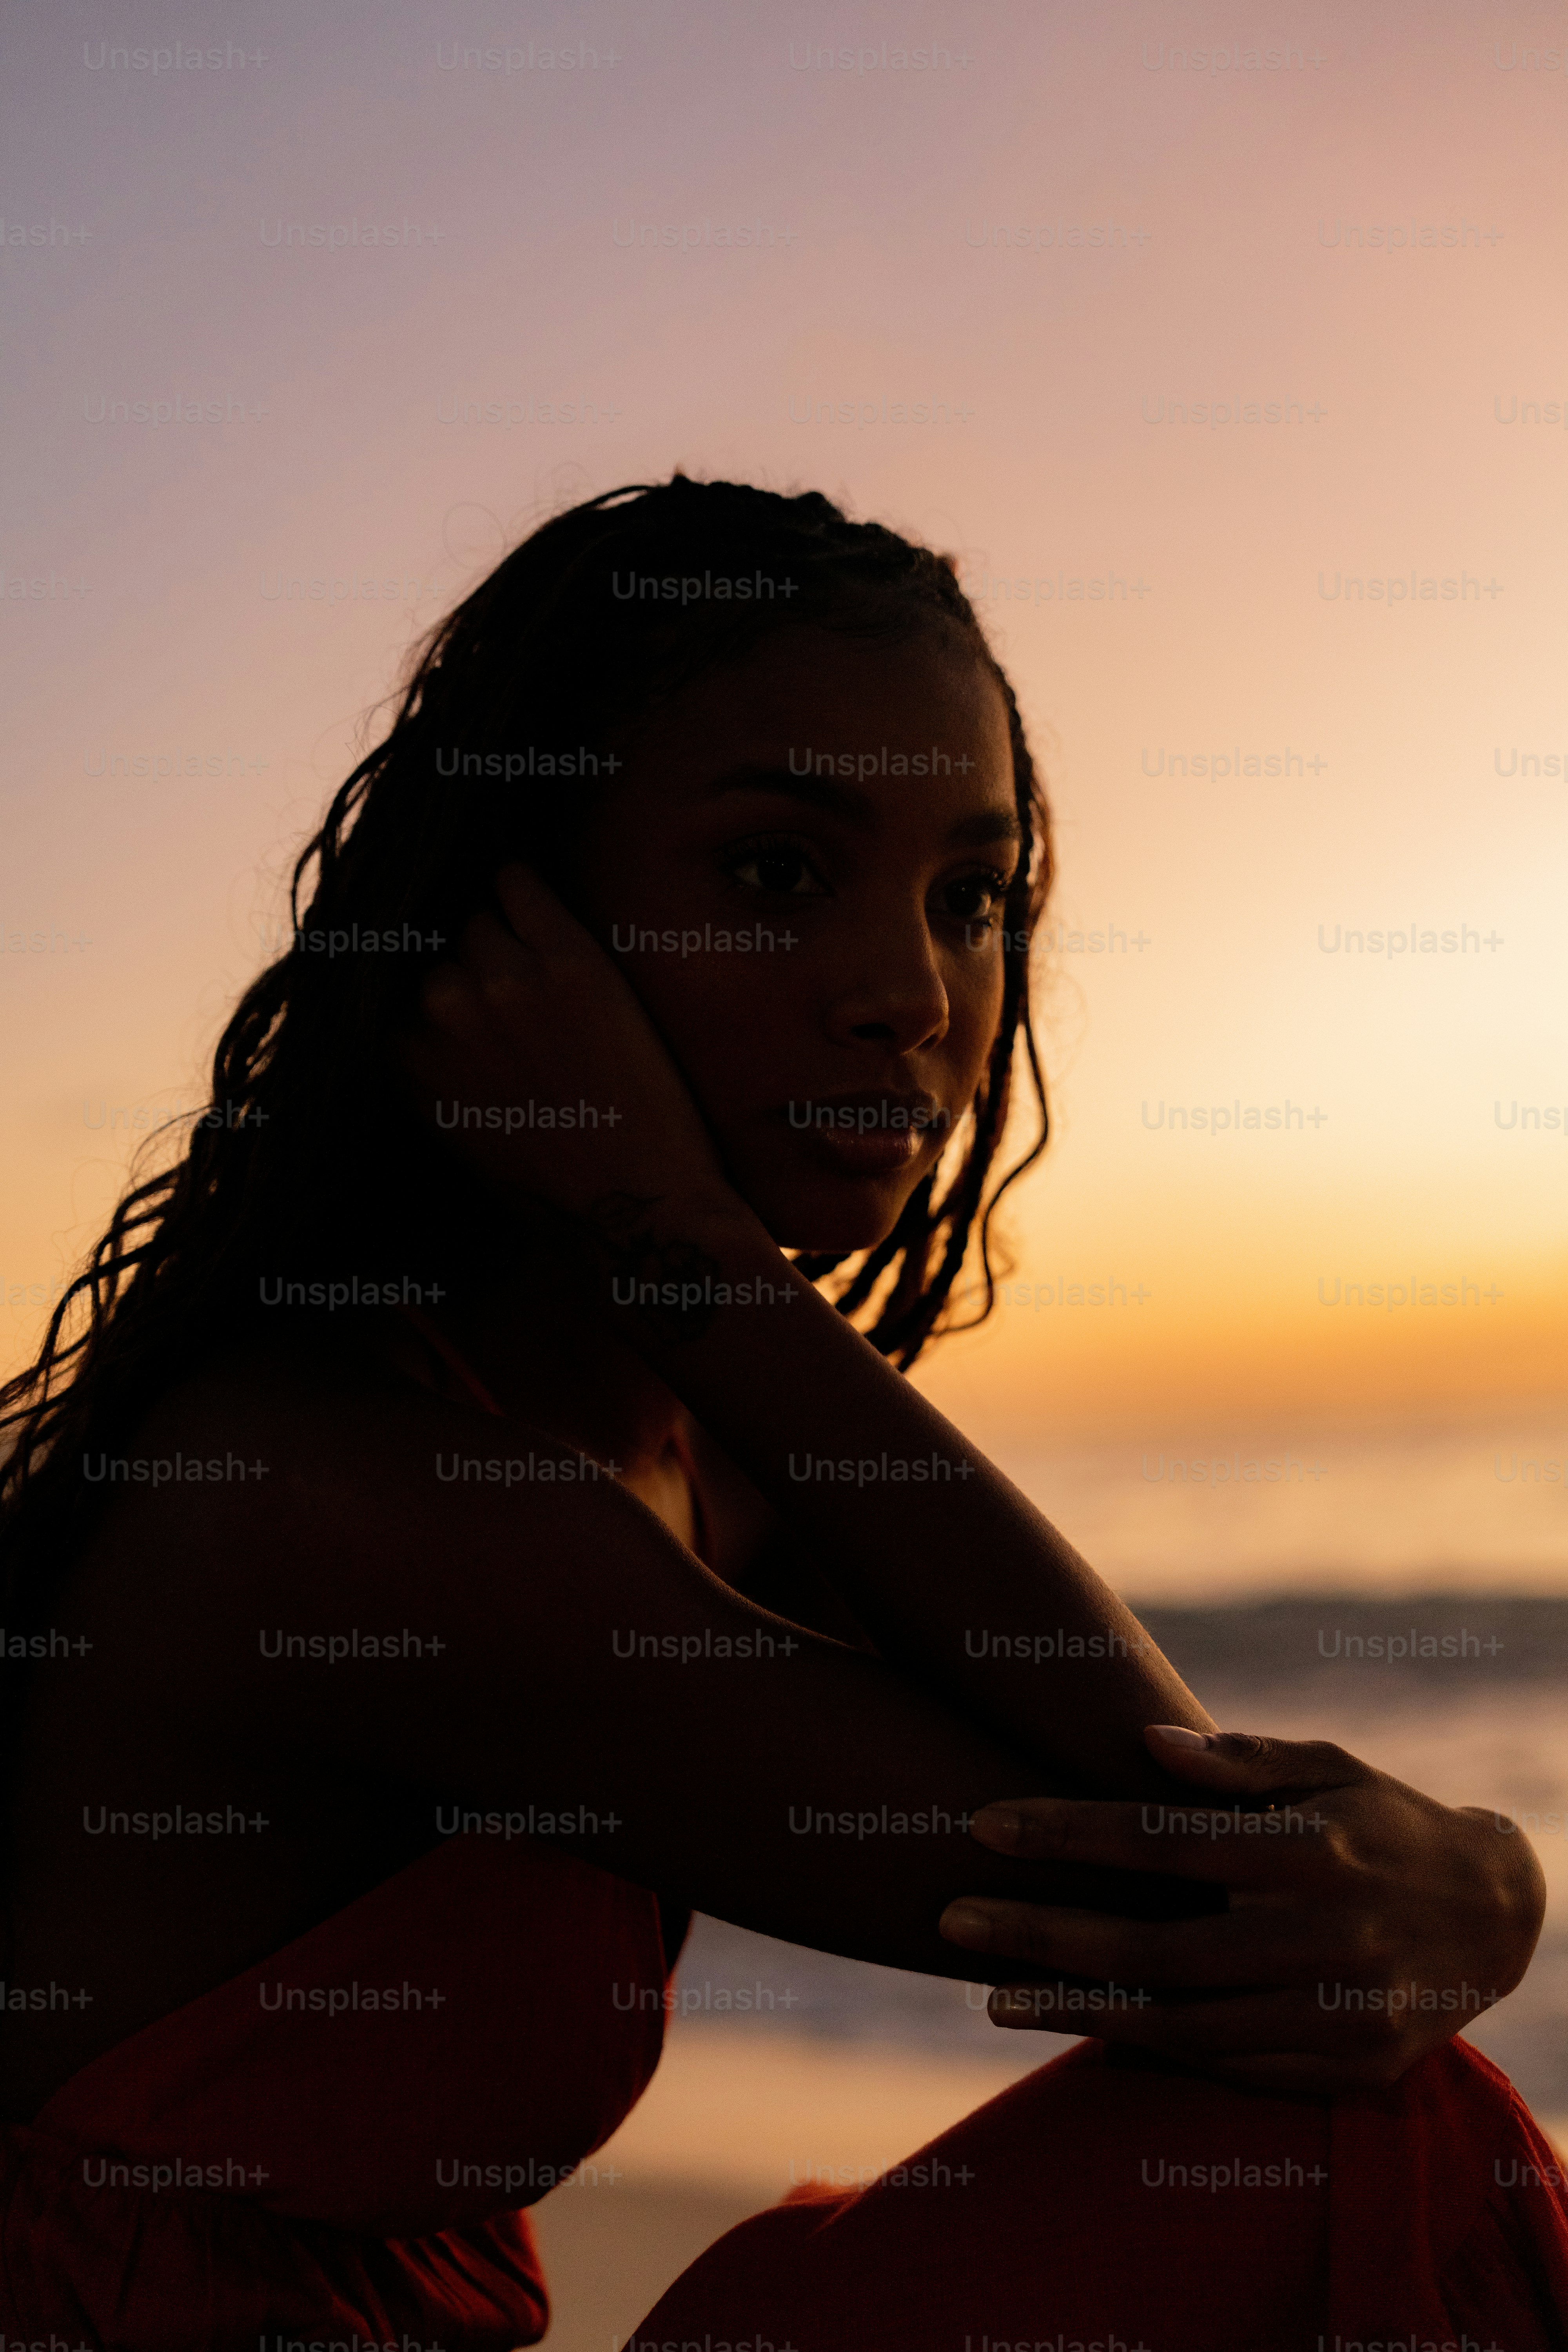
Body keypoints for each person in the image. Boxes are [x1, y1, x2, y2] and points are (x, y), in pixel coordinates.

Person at [0, 475, 1561, 2351]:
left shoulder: (689, 1447)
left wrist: (1487, 1882)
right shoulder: (337, 1486)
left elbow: (1205, 1835)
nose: (912, 993)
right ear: (512, 931)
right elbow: (1204, 1905)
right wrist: (684, 1255)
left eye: (971, 898)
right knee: (1384, 2155)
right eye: (773, 874)